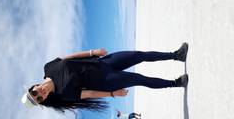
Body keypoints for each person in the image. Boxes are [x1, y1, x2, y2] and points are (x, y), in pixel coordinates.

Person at [21, 43, 189, 113]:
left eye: (34, 93)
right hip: (106, 81)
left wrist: (92, 52)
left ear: (33, 87)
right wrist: (112, 94)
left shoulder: (48, 67)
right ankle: (176, 83)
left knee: (139, 55)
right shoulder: (63, 94)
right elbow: (90, 94)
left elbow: (68, 58)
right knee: (140, 78)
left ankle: (176, 55)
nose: (39, 94)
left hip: (102, 62)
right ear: (44, 100)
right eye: (38, 99)